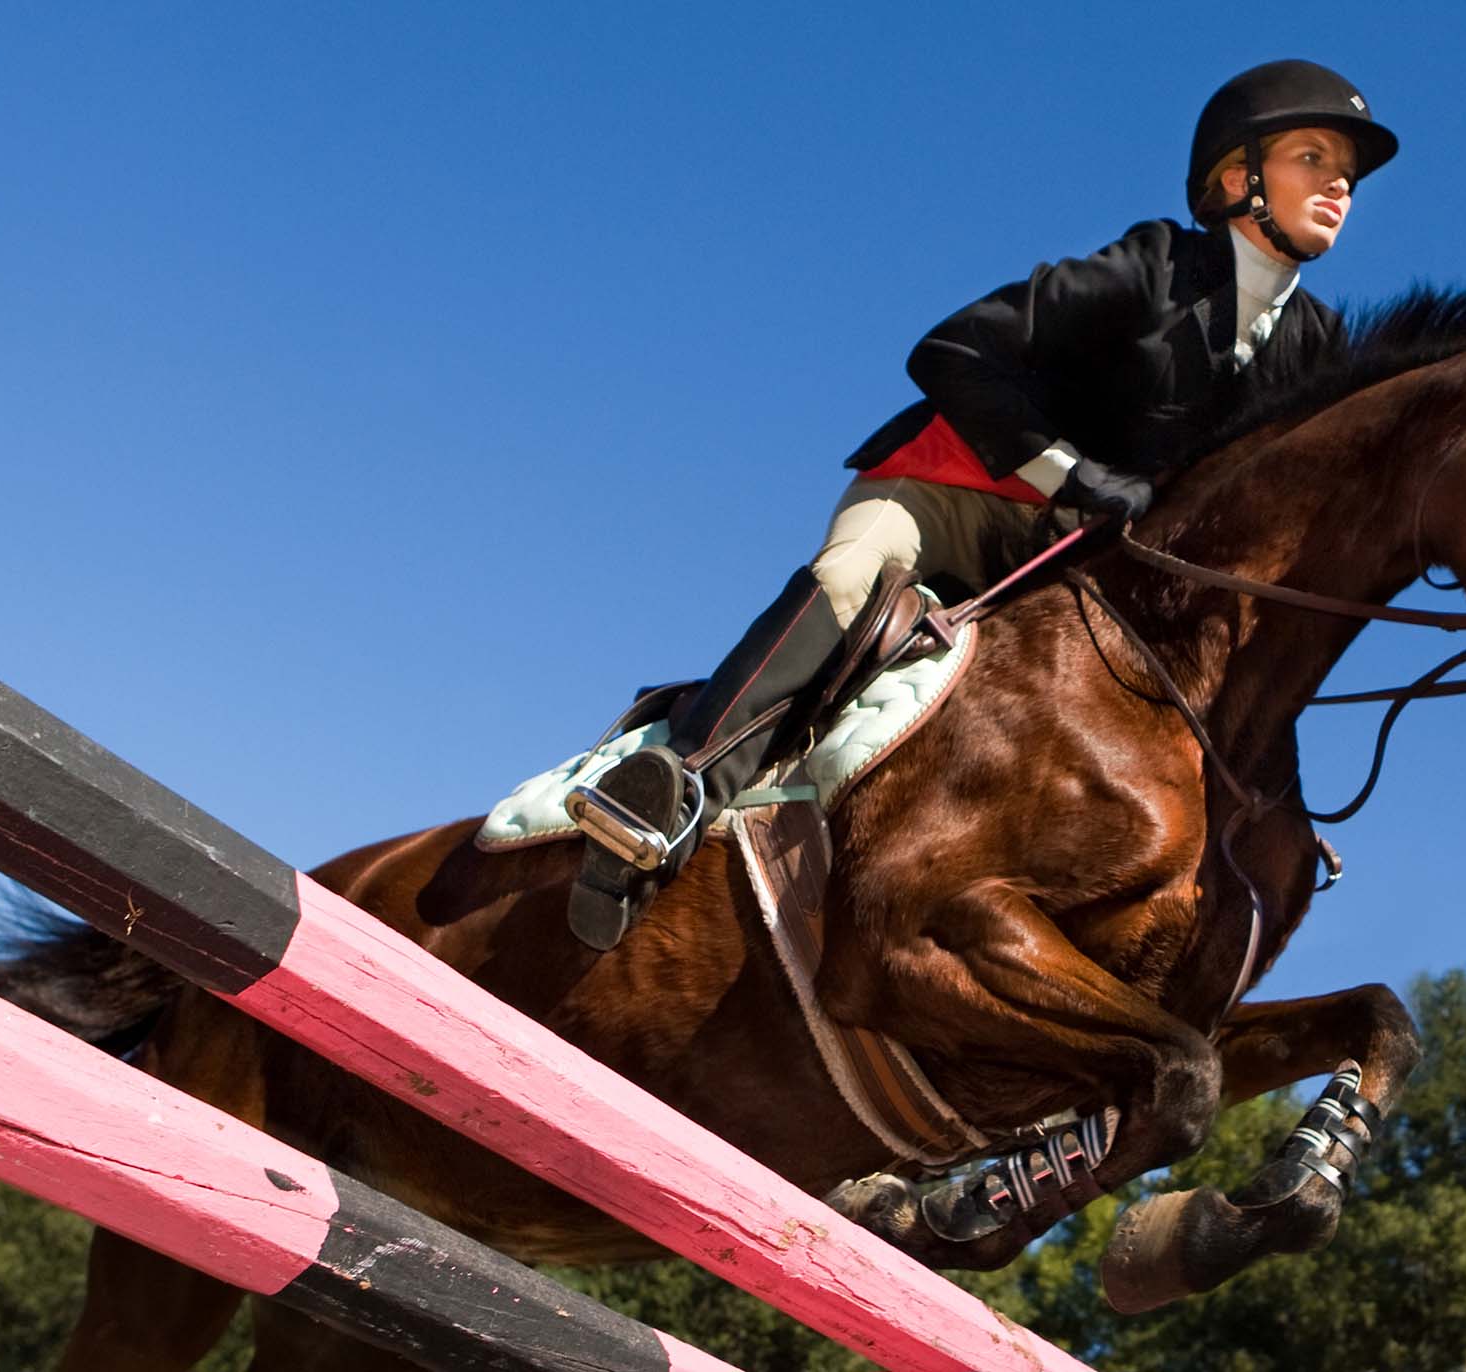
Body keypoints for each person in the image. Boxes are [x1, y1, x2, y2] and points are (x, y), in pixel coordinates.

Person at [567, 59, 1401, 948]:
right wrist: (1076, 478)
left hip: (1078, 564)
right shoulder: (1154, 265)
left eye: (1345, 168)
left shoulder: (1317, 347)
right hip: (954, 494)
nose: (1341, 181)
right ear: (1238, 180)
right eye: (1313, 156)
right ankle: (667, 790)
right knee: (852, 580)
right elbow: (952, 351)